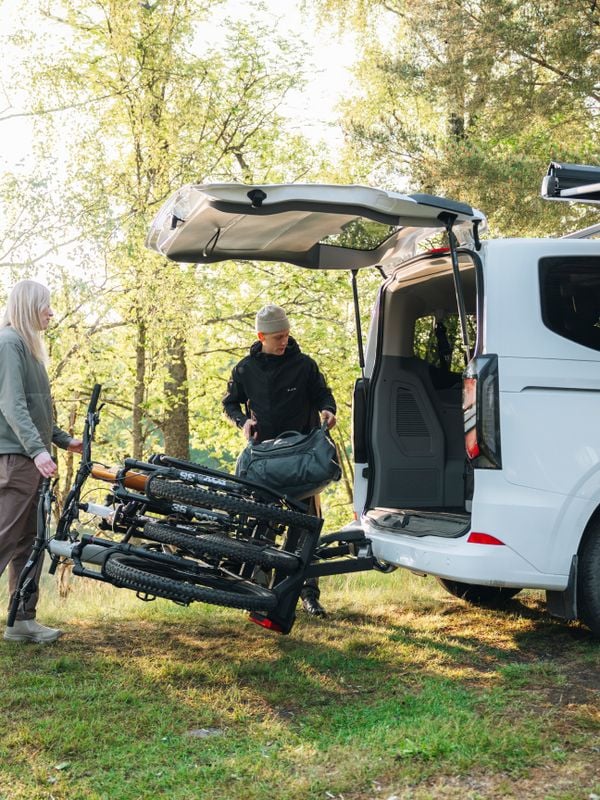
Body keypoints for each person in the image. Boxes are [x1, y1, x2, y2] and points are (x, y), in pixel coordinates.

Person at [222, 304, 337, 617]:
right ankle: (261, 593)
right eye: (277, 337)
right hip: (264, 462)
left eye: (286, 334)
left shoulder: (305, 365)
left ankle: (309, 595)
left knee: (305, 529)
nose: (284, 340)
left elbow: (324, 395)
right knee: (263, 525)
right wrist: (242, 422)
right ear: (261, 336)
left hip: (303, 460)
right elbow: (230, 403)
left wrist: (329, 410)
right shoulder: (245, 369)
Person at [0, 280, 83, 643]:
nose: (51, 312)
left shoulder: (30, 348)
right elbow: (12, 405)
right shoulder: (9, 344)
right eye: (46, 306)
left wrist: (64, 440)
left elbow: (37, 409)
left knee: (28, 542)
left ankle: (21, 620)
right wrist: (37, 451)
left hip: (27, 458)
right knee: (4, 539)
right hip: (15, 460)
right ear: (29, 307)